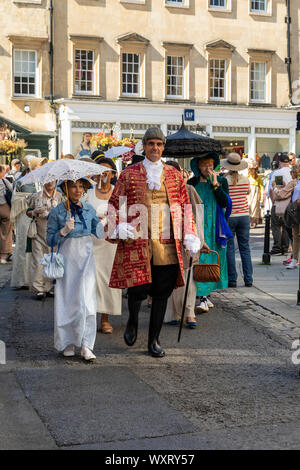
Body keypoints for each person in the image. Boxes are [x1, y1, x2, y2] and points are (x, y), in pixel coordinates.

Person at [108, 127, 201, 357]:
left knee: (161, 293)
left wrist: (189, 232)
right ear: (144, 146)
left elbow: (184, 207)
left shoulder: (174, 175)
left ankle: (154, 340)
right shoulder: (128, 174)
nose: (155, 148)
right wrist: (118, 225)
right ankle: (132, 320)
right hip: (137, 241)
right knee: (137, 288)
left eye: (159, 144)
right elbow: (113, 205)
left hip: (167, 244)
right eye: (151, 144)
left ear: (163, 147)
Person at [47, 178, 103, 361]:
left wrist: (108, 223)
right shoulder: (57, 212)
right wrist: (63, 231)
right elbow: (50, 240)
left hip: (86, 257)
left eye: (81, 186)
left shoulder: (89, 209)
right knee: (67, 300)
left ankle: (87, 344)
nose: (78, 190)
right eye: (73, 186)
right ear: (65, 188)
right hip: (67, 257)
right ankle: (68, 341)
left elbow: (99, 232)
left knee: (87, 300)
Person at [164, 161, 208, 329]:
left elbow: (199, 216)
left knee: (188, 278)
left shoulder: (189, 190)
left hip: (188, 239)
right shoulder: (161, 191)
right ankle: (173, 313)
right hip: (168, 239)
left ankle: (189, 312)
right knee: (170, 276)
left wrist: (200, 240)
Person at [188, 152, 230, 313]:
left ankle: (206, 294)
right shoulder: (192, 182)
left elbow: (225, 202)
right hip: (198, 225)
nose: (208, 168)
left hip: (215, 227)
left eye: (211, 164)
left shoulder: (221, 181)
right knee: (200, 259)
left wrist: (215, 185)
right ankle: (202, 297)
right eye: (204, 165)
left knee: (212, 258)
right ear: (198, 166)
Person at [86, 157, 122, 333]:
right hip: (90, 242)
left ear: (113, 174)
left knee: (107, 280)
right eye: (100, 172)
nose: (104, 175)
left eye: (107, 172)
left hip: (110, 243)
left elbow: (125, 217)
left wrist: (111, 221)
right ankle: (88, 315)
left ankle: (105, 318)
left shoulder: (118, 193)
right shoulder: (87, 192)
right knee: (90, 281)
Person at [10, 157, 47, 288]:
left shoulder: (41, 180)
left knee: (37, 249)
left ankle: (36, 279)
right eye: (38, 165)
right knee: (24, 247)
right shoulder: (21, 182)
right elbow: (16, 200)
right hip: (25, 217)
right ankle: (22, 280)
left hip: (39, 218)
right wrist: (29, 201)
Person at [26, 182, 62, 299]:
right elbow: (28, 212)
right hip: (38, 233)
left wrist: (53, 215)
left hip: (54, 234)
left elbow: (65, 214)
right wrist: (35, 212)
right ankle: (39, 289)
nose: (50, 182)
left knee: (52, 260)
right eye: (48, 180)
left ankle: (49, 287)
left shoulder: (60, 197)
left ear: (56, 182)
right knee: (38, 261)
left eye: (53, 180)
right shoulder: (36, 196)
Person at [223, 153, 253, 288]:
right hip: (244, 216)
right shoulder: (245, 179)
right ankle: (248, 279)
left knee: (230, 248)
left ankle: (232, 279)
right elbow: (248, 192)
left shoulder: (225, 180)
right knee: (245, 248)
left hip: (230, 217)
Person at [272, 163, 300, 268]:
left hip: (295, 210)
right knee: (295, 236)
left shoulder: (293, 182)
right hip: (295, 211)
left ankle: (295, 259)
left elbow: (280, 194)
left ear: (294, 172)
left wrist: (275, 187)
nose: (290, 173)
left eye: (291, 172)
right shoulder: (297, 182)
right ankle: (295, 259)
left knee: (296, 236)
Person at [269, 153, 292, 256]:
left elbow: (275, 189)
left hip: (279, 202)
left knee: (276, 225)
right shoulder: (293, 172)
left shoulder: (278, 173)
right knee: (287, 225)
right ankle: (285, 247)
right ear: (289, 162)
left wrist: (273, 201)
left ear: (280, 162)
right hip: (291, 203)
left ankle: (277, 247)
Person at [0, 165, 13, 264]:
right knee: (5, 232)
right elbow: (13, 191)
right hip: (4, 208)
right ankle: (2, 257)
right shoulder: (4, 181)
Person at [248, 161, 264, 228]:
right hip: (249, 193)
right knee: (249, 206)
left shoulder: (258, 177)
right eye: (251, 169)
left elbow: (261, 187)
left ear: (255, 169)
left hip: (256, 193)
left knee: (255, 207)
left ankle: (253, 222)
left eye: (253, 169)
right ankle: (249, 221)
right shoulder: (248, 177)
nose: (252, 170)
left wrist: (262, 197)